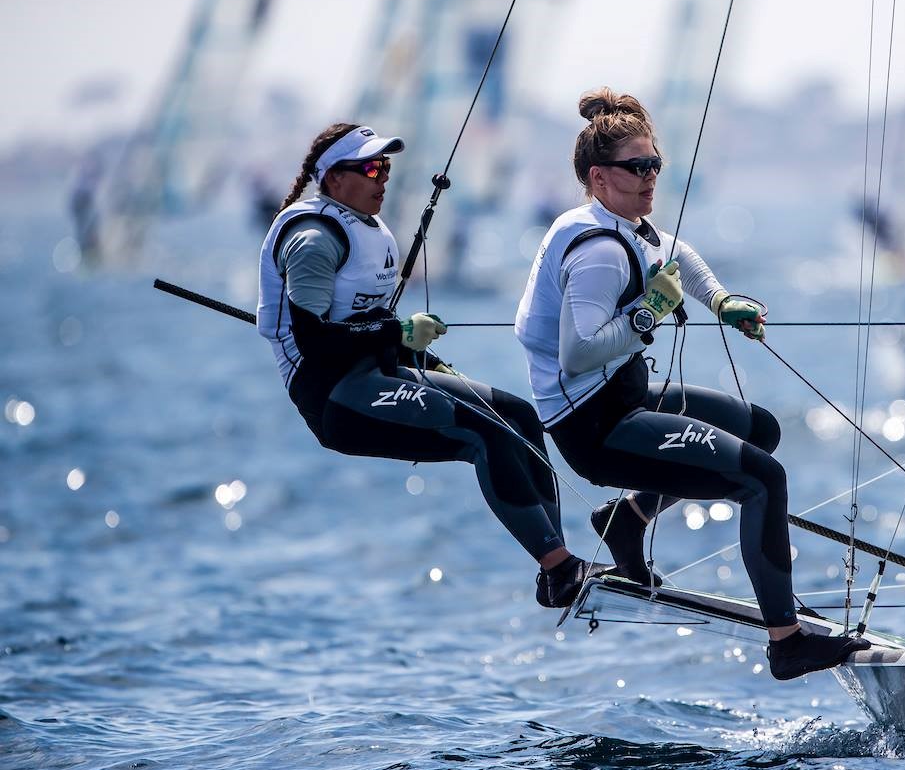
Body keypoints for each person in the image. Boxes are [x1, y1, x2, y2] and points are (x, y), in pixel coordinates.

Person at [514, 89, 870, 679]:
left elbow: (677, 253)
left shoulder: (622, 223)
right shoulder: (598, 249)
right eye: (637, 168)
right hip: (594, 426)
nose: (650, 177)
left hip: (620, 399)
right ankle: (787, 642)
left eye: (655, 163)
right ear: (600, 178)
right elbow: (576, 355)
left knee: (759, 428)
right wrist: (649, 311)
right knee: (762, 479)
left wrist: (721, 300)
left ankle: (627, 519)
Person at [256, 123, 605, 609]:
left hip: (377, 373)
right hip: (333, 395)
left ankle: (559, 567)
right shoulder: (313, 240)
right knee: (488, 435)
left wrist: (410, 349)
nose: (383, 179)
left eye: (388, 169)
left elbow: (361, 321)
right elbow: (316, 342)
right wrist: (398, 333)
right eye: (372, 168)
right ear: (334, 179)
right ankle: (561, 567)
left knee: (519, 417)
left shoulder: (363, 228)